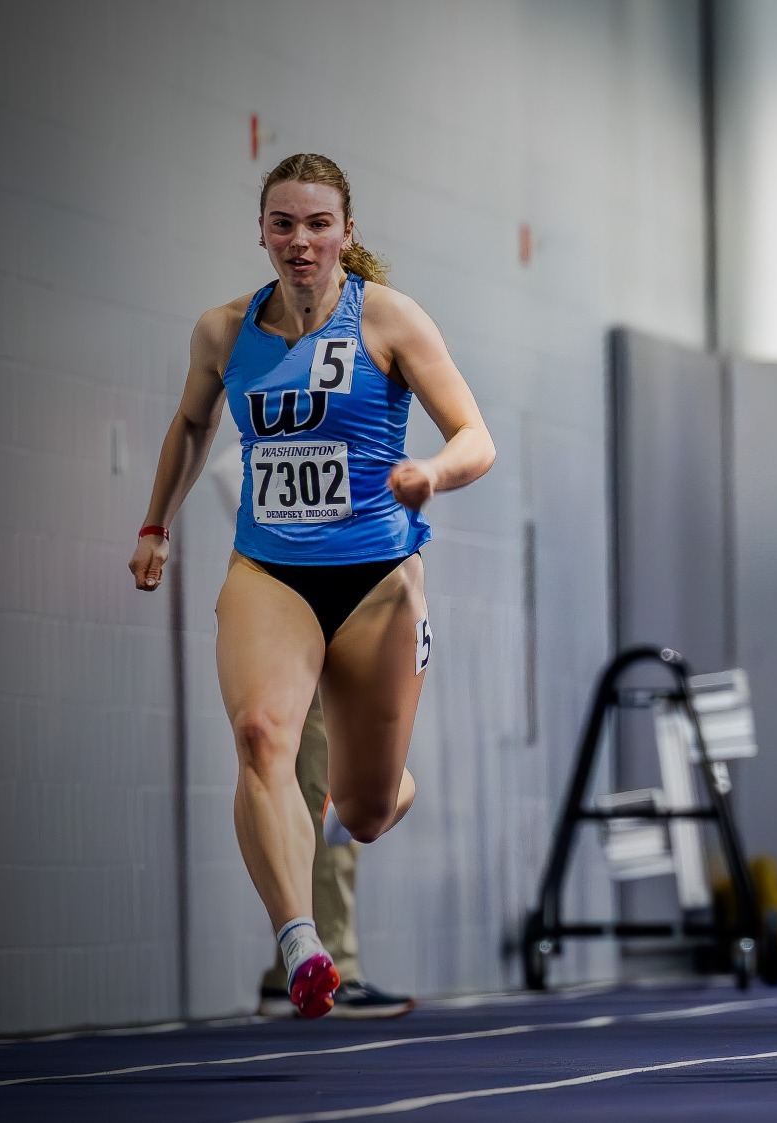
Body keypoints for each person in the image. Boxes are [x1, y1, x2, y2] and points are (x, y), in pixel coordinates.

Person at [130, 153, 495, 1018]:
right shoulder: (225, 330)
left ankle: (349, 804)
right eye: (284, 224)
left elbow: (476, 434)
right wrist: (155, 525)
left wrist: (432, 475)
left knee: (368, 809)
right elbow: (189, 425)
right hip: (272, 568)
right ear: (262, 232)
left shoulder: (392, 321)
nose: (301, 241)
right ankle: (299, 943)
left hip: (376, 576)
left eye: (318, 224)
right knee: (261, 737)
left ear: (346, 234)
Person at [256, 696, 417, 1018]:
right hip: (320, 664)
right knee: (329, 800)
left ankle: (294, 969)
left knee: (324, 796)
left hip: (324, 661)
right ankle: (330, 967)